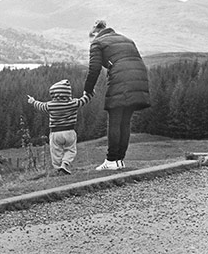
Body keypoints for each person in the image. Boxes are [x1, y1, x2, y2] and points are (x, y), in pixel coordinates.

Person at [83, 20, 150, 170]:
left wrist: (87, 90)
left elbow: (94, 69)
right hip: (139, 80)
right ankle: (119, 161)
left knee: (114, 120)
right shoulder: (127, 39)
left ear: (94, 34)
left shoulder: (97, 43)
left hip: (121, 80)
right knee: (125, 121)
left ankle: (111, 161)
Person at [27, 79, 94, 174]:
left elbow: (40, 105)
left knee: (56, 152)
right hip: (69, 132)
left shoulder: (50, 105)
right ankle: (65, 164)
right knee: (70, 150)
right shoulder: (73, 103)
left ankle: (58, 168)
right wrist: (90, 92)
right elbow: (85, 99)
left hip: (55, 133)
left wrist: (32, 101)